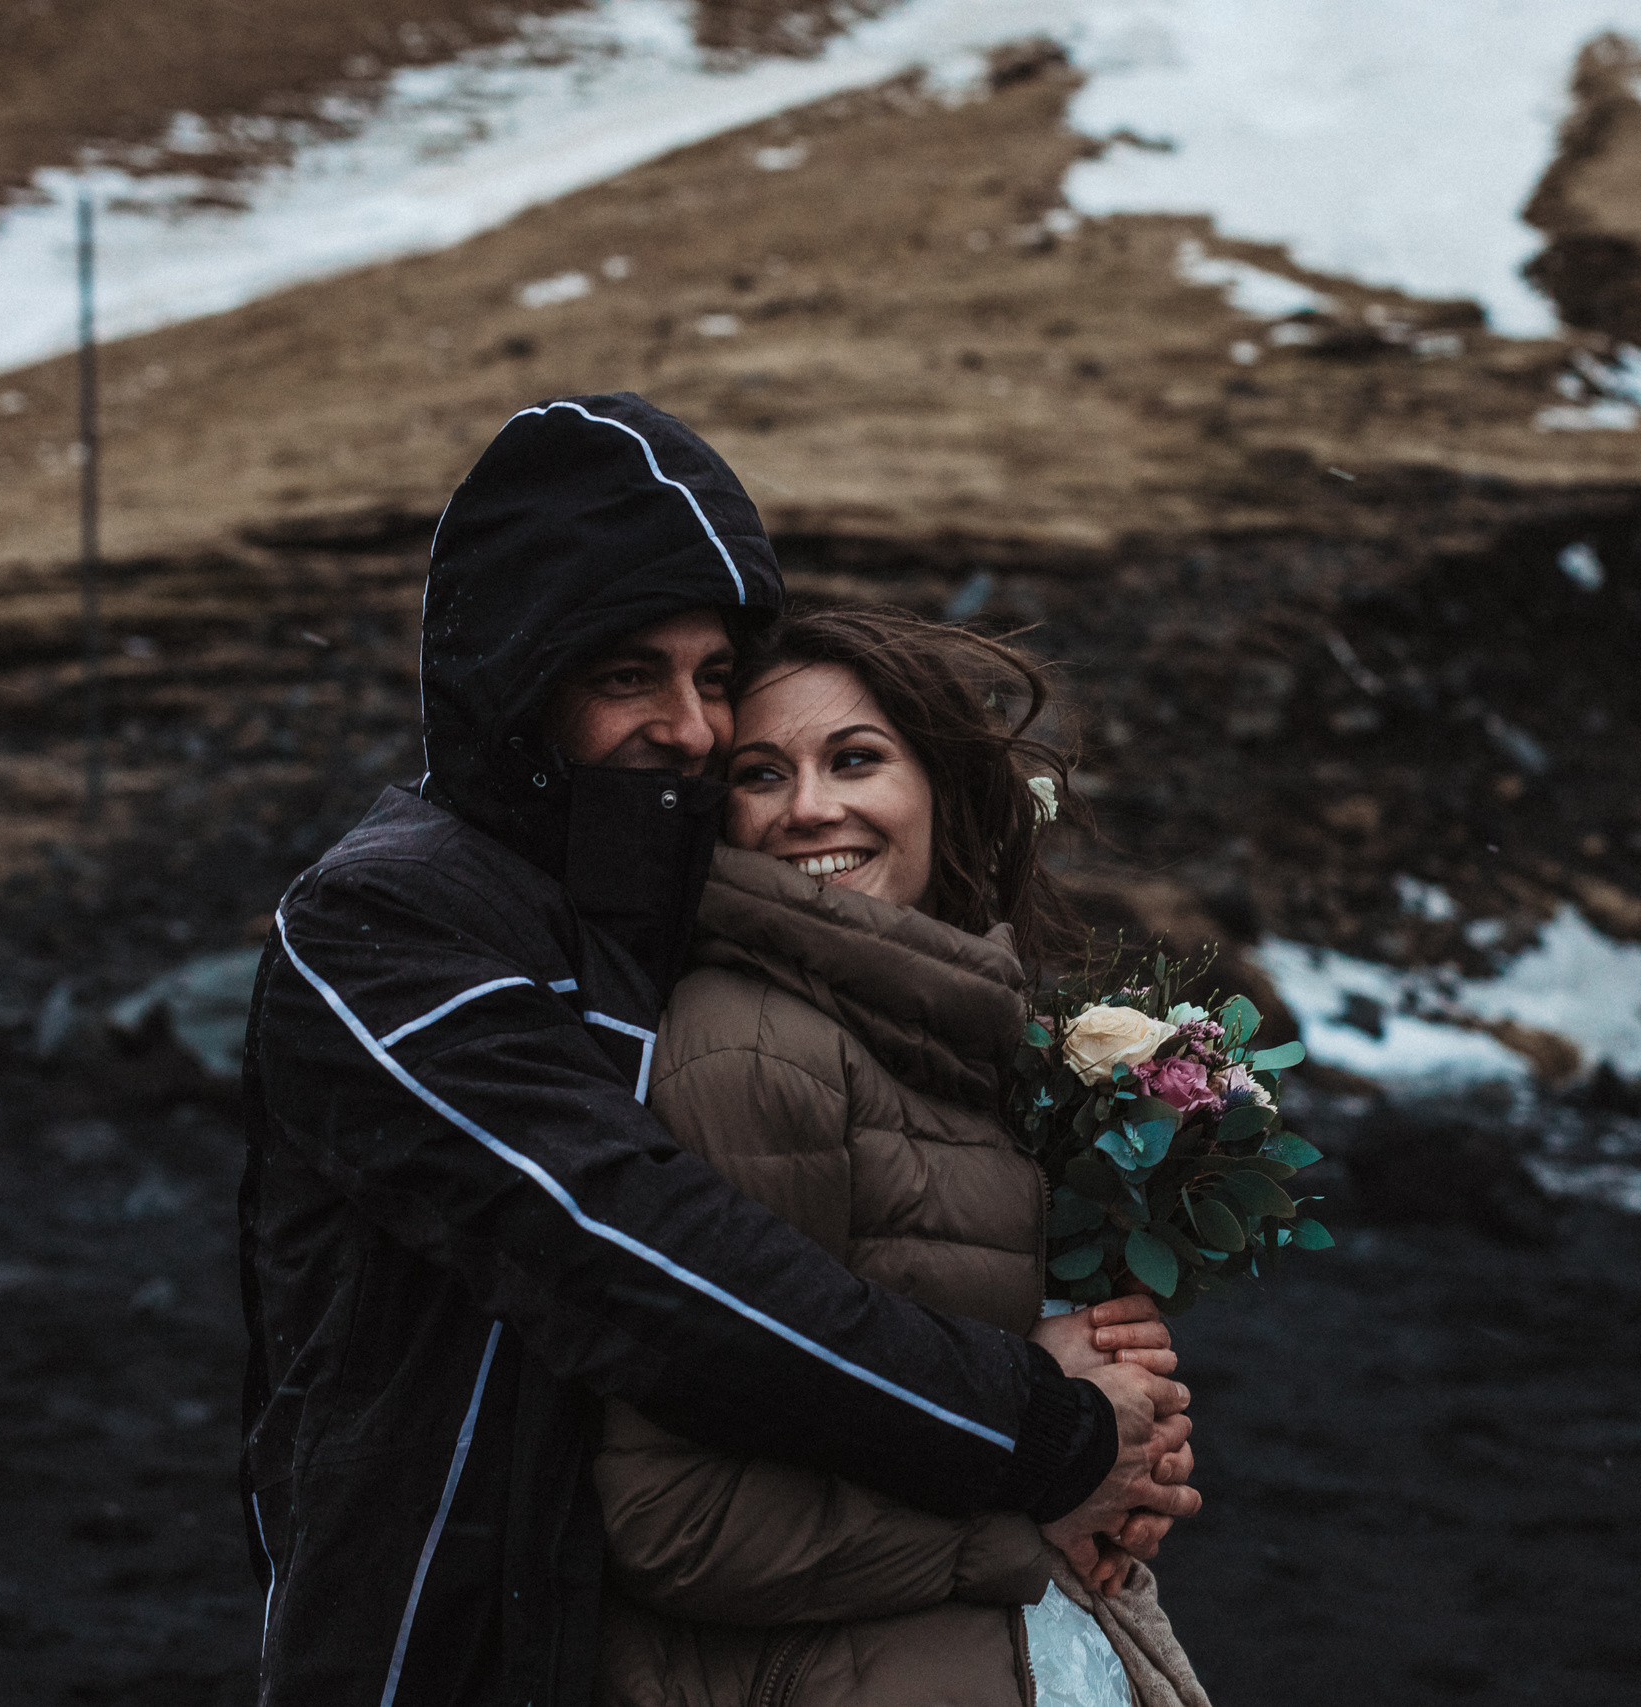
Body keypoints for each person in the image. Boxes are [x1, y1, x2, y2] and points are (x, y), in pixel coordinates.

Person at [238, 395, 1196, 1707]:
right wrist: (1043, 1431)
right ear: (516, 677)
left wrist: (1103, 1376)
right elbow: (622, 1238)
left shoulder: (653, 892)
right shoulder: (382, 918)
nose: (689, 727)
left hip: (640, 1637)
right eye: (627, 672)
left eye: (712, 676)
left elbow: (842, 1227)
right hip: (435, 1626)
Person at [589, 606, 1210, 1707]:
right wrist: (1040, 1493)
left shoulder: (937, 1030)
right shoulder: (747, 1047)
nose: (810, 809)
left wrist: (1127, 1437)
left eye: (855, 760)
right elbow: (677, 1527)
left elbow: (881, 1366)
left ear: (939, 786)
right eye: (759, 774)